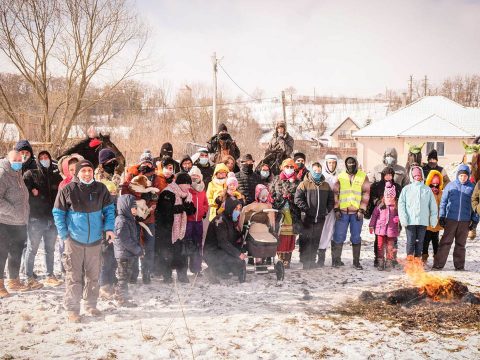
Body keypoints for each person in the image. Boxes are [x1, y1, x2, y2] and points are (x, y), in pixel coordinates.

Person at [52, 159, 115, 323]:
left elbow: (109, 211)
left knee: (93, 276)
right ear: (77, 173)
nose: (87, 174)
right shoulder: (68, 190)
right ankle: (73, 309)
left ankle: (91, 304)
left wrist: (109, 228)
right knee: (74, 277)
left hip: (95, 240)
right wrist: (64, 234)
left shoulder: (101, 189)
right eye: (83, 171)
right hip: (74, 241)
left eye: (89, 171)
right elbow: (58, 213)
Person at [23, 150, 63, 289]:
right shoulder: (31, 174)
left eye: (47, 157)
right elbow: (23, 191)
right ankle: (28, 276)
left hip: (52, 219)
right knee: (32, 248)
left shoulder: (55, 176)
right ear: (38, 160)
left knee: (50, 249)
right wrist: (31, 189)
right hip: (36, 218)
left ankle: (49, 275)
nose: (44, 159)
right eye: (41, 158)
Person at [121, 150, 160, 284]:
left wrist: (153, 202)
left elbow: (157, 193)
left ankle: (146, 272)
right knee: (134, 244)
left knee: (149, 246)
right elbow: (125, 191)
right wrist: (139, 195)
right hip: (134, 216)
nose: (146, 165)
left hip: (149, 216)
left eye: (149, 162)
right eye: (144, 162)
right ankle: (133, 274)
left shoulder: (155, 177)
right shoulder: (131, 174)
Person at [433, 165, 478, 270]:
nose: (463, 178)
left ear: (468, 176)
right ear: (458, 175)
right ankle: (438, 264)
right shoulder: (450, 186)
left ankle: (459, 266)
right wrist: (442, 216)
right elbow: (443, 202)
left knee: (461, 244)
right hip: (451, 219)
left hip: (465, 221)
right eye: (461, 175)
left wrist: (474, 221)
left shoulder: (472, 188)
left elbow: (475, 205)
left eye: (465, 176)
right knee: (445, 242)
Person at [155, 173, 196, 283]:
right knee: (167, 253)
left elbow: (192, 211)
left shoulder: (186, 195)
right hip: (167, 229)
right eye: (187, 184)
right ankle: (167, 276)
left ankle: (182, 275)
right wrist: (183, 207)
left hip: (180, 230)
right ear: (180, 183)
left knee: (181, 253)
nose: (189, 187)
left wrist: (188, 207)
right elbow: (166, 211)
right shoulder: (167, 193)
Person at [0, 150, 30, 298]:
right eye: (15, 159)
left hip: (19, 222)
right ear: (7, 159)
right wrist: (12, 211)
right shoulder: (3, 174)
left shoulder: (18, 174)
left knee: (16, 253)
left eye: (20, 159)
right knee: (1, 254)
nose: (19, 161)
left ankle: (13, 280)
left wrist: (24, 214)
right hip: (4, 222)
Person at [332, 157, 370, 270]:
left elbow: (366, 194)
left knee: (356, 237)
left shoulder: (363, 176)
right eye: (349, 163)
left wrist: (362, 210)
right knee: (339, 236)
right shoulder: (340, 176)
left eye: (353, 163)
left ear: (356, 164)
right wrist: (336, 209)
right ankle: (336, 260)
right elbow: (335, 193)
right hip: (342, 213)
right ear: (345, 164)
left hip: (356, 213)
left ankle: (356, 262)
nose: (351, 165)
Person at [294, 163, 334, 270]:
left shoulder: (326, 185)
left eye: (319, 171)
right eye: (315, 171)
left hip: (320, 218)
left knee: (316, 239)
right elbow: (297, 199)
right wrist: (306, 209)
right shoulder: (304, 184)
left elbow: (331, 200)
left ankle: (312, 260)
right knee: (306, 239)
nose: (317, 173)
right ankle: (305, 261)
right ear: (311, 171)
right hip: (307, 217)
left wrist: (326, 210)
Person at [398, 166, 438, 260]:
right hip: (410, 221)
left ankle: (417, 262)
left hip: (422, 221)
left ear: (422, 176)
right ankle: (410, 261)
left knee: (420, 242)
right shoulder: (406, 189)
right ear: (412, 176)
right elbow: (401, 205)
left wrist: (433, 220)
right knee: (411, 241)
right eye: (415, 175)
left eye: (419, 175)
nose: (417, 177)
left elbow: (433, 206)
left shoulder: (427, 189)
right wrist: (403, 218)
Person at [203, 197, 246, 284]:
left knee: (238, 261)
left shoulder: (230, 220)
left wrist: (243, 235)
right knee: (236, 260)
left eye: (239, 209)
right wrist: (238, 254)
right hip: (212, 252)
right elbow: (223, 242)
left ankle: (221, 271)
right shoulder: (220, 221)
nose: (238, 211)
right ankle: (211, 271)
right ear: (230, 208)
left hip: (221, 251)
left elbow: (232, 237)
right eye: (236, 209)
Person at [366, 167, 402, 267]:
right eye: (386, 174)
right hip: (380, 218)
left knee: (392, 241)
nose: (388, 176)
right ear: (382, 175)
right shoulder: (377, 185)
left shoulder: (397, 187)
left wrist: (398, 212)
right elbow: (372, 197)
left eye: (390, 174)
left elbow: (401, 200)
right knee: (379, 241)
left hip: (393, 218)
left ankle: (391, 259)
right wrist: (378, 202)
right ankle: (378, 259)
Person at [271, 158, 301, 268]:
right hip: (279, 212)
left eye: (291, 167)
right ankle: (280, 259)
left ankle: (287, 260)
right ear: (282, 168)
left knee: (290, 236)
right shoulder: (276, 180)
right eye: (287, 167)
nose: (289, 169)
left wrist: (291, 197)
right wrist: (279, 198)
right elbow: (272, 195)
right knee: (280, 235)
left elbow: (300, 197)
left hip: (293, 213)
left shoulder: (298, 181)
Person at [113, 194, 142, 307]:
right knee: (123, 277)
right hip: (123, 254)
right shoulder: (122, 221)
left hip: (128, 253)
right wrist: (137, 249)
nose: (135, 210)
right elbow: (124, 239)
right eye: (133, 207)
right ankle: (122, 298)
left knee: (126, 276)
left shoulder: (129, 219)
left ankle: (121, 293)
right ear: (126, 207)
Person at [186, 166, 209, 275]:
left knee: (198, 245)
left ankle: (196, 268)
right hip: (188, 221)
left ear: (200, 177)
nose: (195, 178)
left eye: (197, 176)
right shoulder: (187, 189)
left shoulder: (202, 190)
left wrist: (204, 212)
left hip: (198, 222)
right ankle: (184, 269)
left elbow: (205, 203)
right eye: (193, 176)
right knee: (186, 244)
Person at [318, 154, 338, 267]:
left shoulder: (339, 177)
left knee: (335, 232)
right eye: (329, 163)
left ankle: (335, 259)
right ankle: (321, 258)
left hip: (336, 209)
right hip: (324, 209)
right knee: (323, 233)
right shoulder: (322, 176)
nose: (331, 165)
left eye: (333, 163)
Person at [422, 170, 444, 264]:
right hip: (427, 223)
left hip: (436, 223)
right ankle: (424, 256)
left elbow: (443, 204)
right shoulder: (426, 193)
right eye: (432, 185)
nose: (434, 187)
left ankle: (437, 257)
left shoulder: (441, 193)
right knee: (425, 241)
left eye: (437, 185)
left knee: (436, 241)